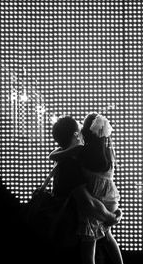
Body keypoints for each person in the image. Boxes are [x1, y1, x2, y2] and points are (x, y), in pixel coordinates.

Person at [49, 113, 123, 264]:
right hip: (110, 197)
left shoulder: (78, 155)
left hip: (96, 202)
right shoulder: (107, 152)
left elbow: (89, 204)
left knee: (89, 247)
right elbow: (88, 203)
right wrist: (111, 217)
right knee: (107, 236)